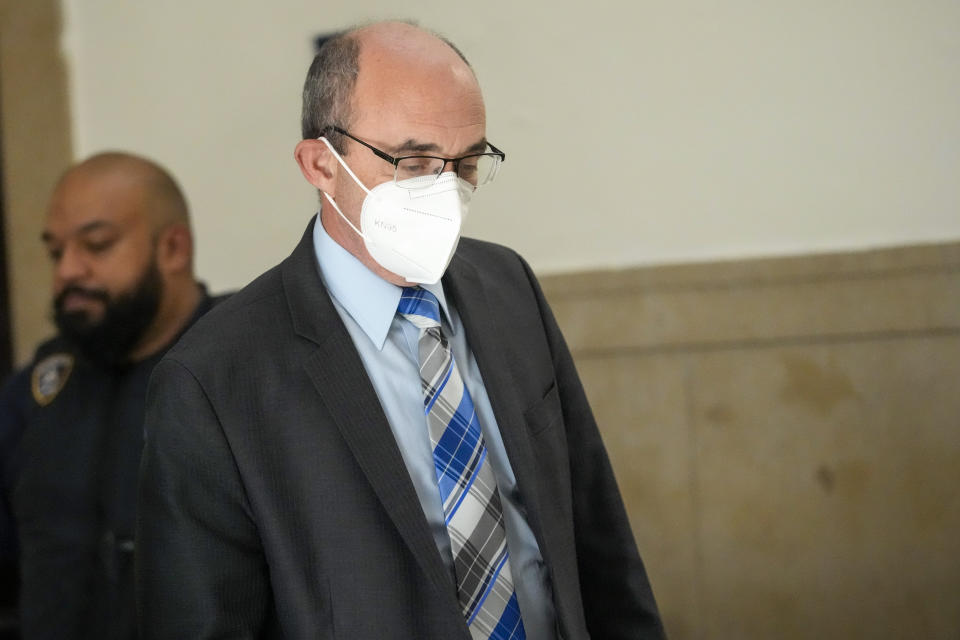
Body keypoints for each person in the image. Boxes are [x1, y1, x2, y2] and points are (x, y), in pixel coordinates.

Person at [137, 21, 665, 640]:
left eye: (466, 163)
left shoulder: (509, 286)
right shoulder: (213, 380)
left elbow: (598, 541)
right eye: (412, 161)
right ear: (320, 165)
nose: (443, 191)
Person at [0, 151, 224, 639]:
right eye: (56, 252)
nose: (67, 273)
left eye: (96, 246)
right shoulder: (39, 389)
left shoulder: (244, 365)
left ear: (173, 249)